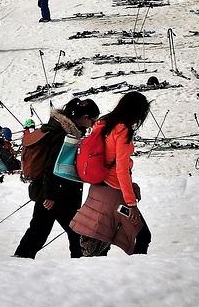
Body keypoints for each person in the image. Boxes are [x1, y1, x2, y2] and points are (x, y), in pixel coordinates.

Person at [14, 98, 99, 259]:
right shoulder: (64, 134)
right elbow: (51, 165)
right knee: (75, 230)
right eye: (93, 121)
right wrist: (50, 195)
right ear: (85, 117)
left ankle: (20, 259)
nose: (92, 126)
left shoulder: (61, 128)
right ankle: (78, 266)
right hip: (58, 193)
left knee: (39, 230)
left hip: (50, 190)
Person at [70, 91, 152, 257]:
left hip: (98, 186)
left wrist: (131, 186)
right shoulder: (122, 130)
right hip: (113, 192)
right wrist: (131, 204)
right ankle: (139, 272)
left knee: (101, 241)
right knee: (142, 235)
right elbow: (121, 170)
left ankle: (104, 277)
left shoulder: (105, 122)